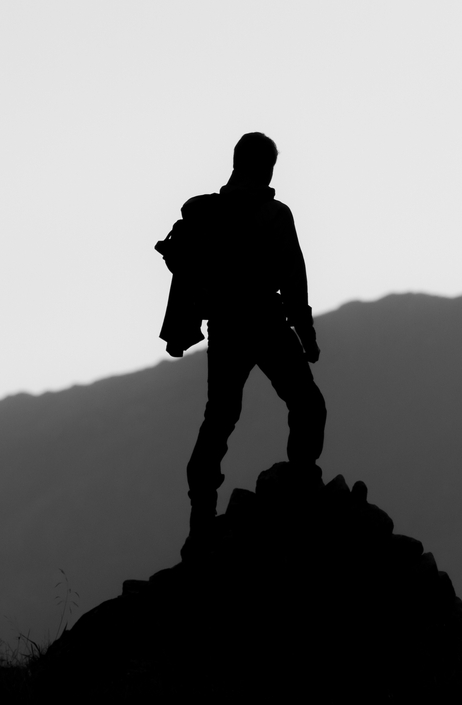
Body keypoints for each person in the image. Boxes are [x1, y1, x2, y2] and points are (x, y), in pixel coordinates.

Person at [155, 132, 327, 544]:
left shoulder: (206, 215)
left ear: (236, 163)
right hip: (266, 323)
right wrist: (307, 337)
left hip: (226, 327)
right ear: (266, 167)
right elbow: (294, 283)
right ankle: (302, 485)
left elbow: (190, 273)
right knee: (307, 404)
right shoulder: (275, 215)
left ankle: (201, 522)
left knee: (219, 419)